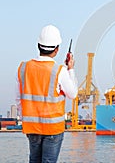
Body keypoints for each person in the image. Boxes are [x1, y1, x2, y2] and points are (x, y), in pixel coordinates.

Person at [16, 25, 78, 163]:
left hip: (31, 128)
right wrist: (71, 69)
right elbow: (73, 94)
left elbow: (19, 99)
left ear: (38, 45)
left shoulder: (23, 68)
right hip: (52, 129)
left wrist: (24, 120)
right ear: (57, 49)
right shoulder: (59, 71)